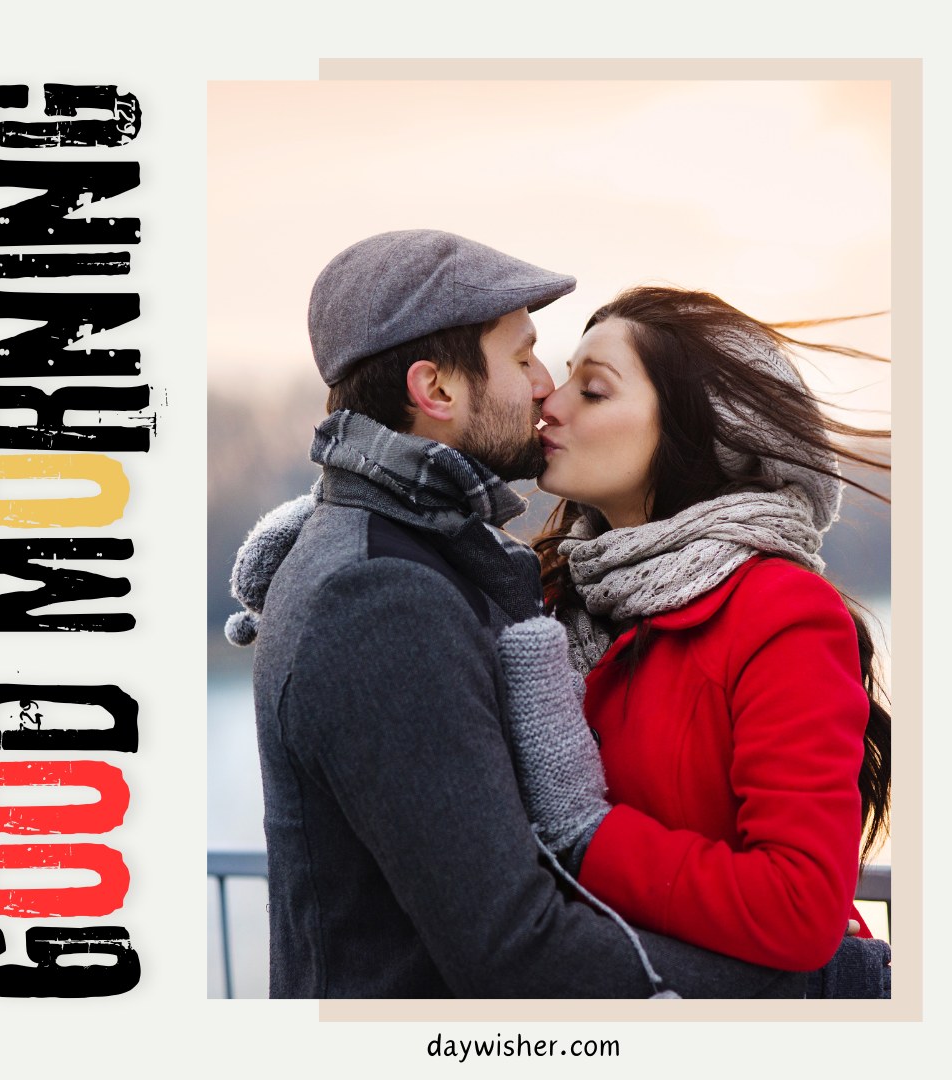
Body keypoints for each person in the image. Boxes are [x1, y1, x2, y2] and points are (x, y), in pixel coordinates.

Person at [224, 230, 806, 999]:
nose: (544, 388)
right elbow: (513, 946)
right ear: (436, 391)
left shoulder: (410, 555)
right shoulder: (382, 598)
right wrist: (823, 986)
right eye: (524, 358)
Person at [498, 285, 891, 995]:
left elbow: (801, 907)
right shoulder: (554, 593)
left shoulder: (780, 613)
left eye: (593, 390)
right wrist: (342, 534)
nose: (549, 403)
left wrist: (589, 836)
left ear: (699, 432)